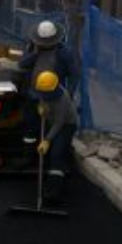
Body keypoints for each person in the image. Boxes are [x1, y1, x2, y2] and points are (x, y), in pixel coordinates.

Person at [18, 20, 80, 148]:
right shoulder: (33, 48)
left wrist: (69, 94)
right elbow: (22, 64)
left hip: (53, 98)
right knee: (31, 125)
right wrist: (34, 54)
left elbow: (74, 75)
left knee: (51, 126)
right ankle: (29, 154)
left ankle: (50, 153)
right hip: (33, 96)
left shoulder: (64, 53)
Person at [34, 70, 78, 204]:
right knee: (56, 151)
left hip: (66, 125)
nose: (43, 95)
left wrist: (47, 140)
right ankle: (66, 162)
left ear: (53, 89)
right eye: (41, 92)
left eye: (45, 93)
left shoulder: (62, 99)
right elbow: (42, 101)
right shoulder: (44, 90)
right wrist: (41, 108)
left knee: (56, 154)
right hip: (52, 122)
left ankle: (55, 190)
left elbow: (59, 123)